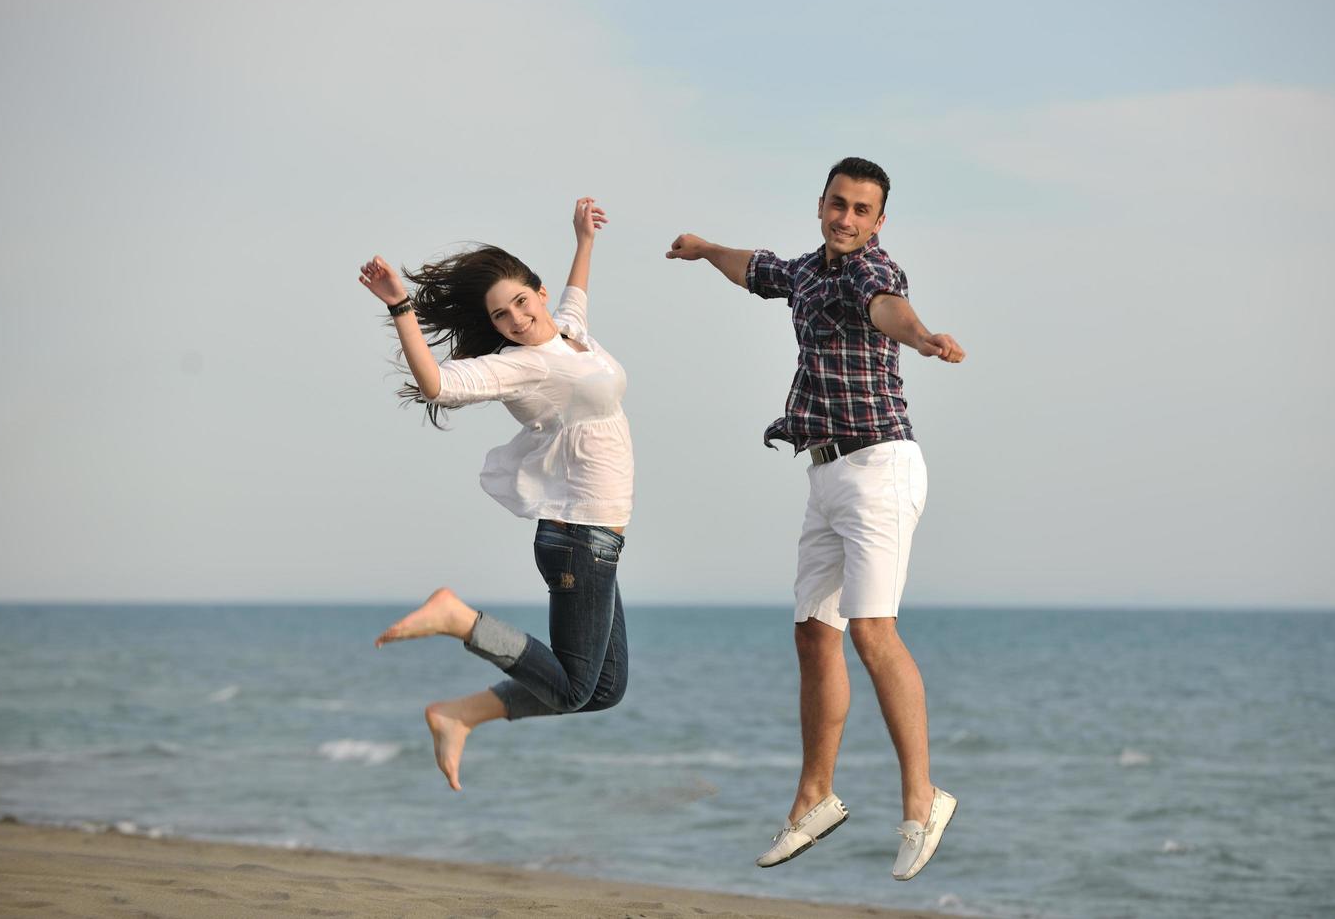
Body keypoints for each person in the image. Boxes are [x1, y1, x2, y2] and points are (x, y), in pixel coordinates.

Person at [664, 158, 966, 881]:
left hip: (882, 468)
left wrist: (921, 337)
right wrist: (706, 249)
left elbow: (888, 309)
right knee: (812, 634)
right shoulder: (805, 271)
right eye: (839, 205)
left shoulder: (872, 273)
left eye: (863, 210)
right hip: (826, 473)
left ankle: (923, 800)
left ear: (880, 221)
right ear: (822, 205)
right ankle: (814, 797)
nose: (848, 219)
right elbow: (757, 269)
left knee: (870, 629)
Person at [359, 197, 632, 793]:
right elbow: (436, 385)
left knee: (603, 691)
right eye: (501, 316)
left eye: (521, 302)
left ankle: (459, 714)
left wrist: (584, 240)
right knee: (570, 686)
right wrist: (401, 306)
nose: (516, 319)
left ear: (536, 292)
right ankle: (459, 619)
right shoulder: (518, 365)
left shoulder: (571, 337)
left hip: (602, 532)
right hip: (576, 535)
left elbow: (573, 301)